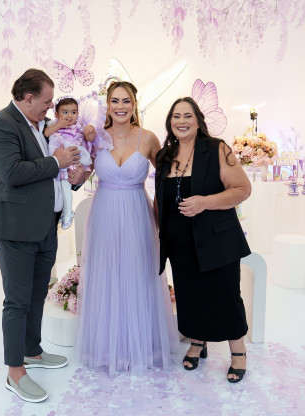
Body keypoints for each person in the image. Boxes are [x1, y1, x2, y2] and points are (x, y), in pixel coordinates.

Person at [0, 68, 84, 403]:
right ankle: (15, 372)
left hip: (44, 226)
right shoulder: (1, 124)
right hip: (15, 228)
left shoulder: (42, 126)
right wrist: (56, 161)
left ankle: (32, 351)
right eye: (46, 101)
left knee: (38, 293)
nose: (50, 107)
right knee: (17, 301)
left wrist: (76, 177)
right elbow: (12, 172)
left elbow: (53, 176)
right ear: (28, 98)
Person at [75, 81, 179, 375]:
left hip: (137, 212)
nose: (120, 107)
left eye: (126, 101)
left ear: (134, 105)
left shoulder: (148, 138)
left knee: (138, 272)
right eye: (115, 101)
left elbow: (167, 179)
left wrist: (163, 216)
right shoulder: (95, 137)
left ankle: (142, 345)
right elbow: (81, 174)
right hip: (105, 212)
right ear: (107, 104)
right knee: (107, 273)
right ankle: (109, 348)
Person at [155, 97, 252, 382]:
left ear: (198, 121)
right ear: (170, 122)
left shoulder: (217, 148)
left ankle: (238, 351)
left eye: (188, 116)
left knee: (226, 295)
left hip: (217, 239)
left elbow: (242, 189)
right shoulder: (164, 156)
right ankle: (198, 341)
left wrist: (204, 202)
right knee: (189, 295)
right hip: (179, 243)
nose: (181, 121)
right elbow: (161, 199)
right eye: (176, 116)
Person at [44, 96, 97, 229]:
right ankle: (66, 213)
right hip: (58, 164)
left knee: (66, 186)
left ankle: (67, 214)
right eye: (65, 112)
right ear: (57, 114)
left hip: (73, 161)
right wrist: (58, 125)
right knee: (63, 188)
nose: (69, 116)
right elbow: (46, 133)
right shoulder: (53, 125)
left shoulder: (78, 127)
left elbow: (90, 138)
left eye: (73, 112)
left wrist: (90, 129)